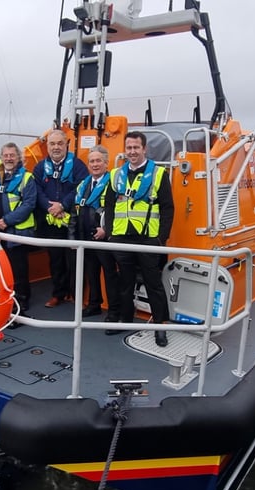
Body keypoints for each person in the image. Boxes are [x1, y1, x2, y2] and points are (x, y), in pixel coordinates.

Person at [104, 131, 174, 346]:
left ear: (144, 149)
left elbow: (167, 208)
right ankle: (125, 319)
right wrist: (110, 234)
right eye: (129, 148)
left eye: (136, 147)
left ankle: (160, 326)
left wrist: (161, 239)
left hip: (148, 240)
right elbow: (109, 205)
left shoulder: (159, 174)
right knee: (125, 282)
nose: (132, 151)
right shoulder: (115, 174)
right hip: (121, 238)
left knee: (154, 284)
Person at [33, 129, 88, 307]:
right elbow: (37, 191)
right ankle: (58, 294)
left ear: (66, 145)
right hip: (51, 221)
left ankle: (77, 295)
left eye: (59, 143)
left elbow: (80, 187)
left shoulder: (78, 165)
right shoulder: (40, 168)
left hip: (71, 221)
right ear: (47, 146)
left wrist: (63, 205)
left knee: (74, 259)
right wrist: (50, 208)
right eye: (52, 144)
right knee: (55, 259)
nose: (56, 147)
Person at [0, 142, 36, 311]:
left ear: (18, 157)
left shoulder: (27, 178)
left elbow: (29, 204)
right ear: (1, 157)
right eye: (5, 155)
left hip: (16, 233)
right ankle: (0, 299)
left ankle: (21, 303)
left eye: (12, 155)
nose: (8, 158)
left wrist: (6, 221)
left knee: (18, 270)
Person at [68, 145, 120, 322]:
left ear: (106, 163)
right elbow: (74, 212)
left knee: (110, 275)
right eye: (92, 161)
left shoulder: (113, 183)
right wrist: (72, 238)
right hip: (85, 238)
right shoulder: (83, 184)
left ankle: (114, 311)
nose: (95, 164)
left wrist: (106, 229)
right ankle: (94, 304)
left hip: (104, 239)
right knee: (91, 273)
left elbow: (116, 209)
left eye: (99, 161)